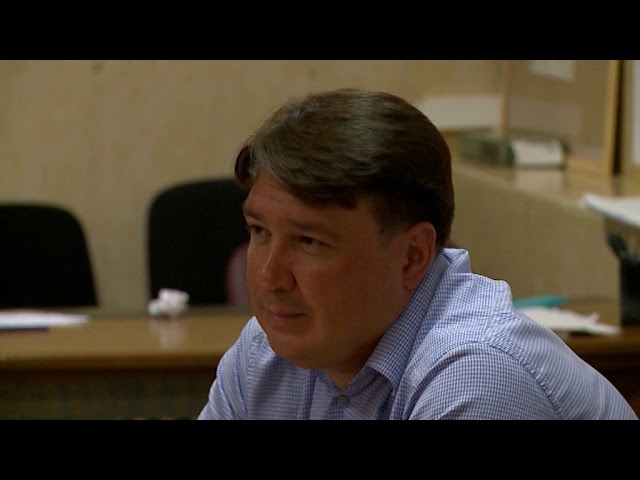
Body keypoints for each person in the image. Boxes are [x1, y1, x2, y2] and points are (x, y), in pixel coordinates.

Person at [198, 88, 638, 420]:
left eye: (309, 242)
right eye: (259, 231)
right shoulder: (265, 353)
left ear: (412, 256)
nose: (269, 277)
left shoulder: (478, 374)